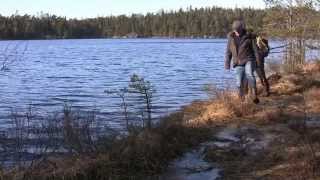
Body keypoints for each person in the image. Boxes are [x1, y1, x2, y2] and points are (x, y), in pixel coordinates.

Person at [225, 20, 260, 104]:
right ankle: (242, 100)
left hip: (248, 59)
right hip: (237, 62)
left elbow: (255, 50)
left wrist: (257, 61)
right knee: (239, 83)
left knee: (249, 74)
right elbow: (228, 51)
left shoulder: (249, 37)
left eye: (238, 30)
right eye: (235, 30)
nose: (237, 31)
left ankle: (255, 95)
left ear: (241, 28)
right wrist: (227, 63)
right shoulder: (231, 38)